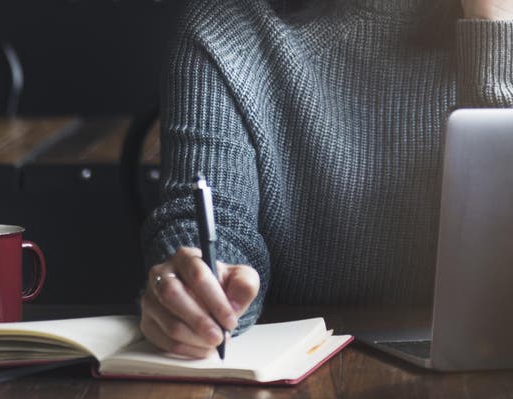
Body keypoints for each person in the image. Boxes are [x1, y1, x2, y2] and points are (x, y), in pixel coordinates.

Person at [139, 0, 513, 358]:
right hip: (287, 380)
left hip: (477, 377)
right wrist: (204, 287)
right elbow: (213, 220)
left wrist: (496, 34)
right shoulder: (225, 27)